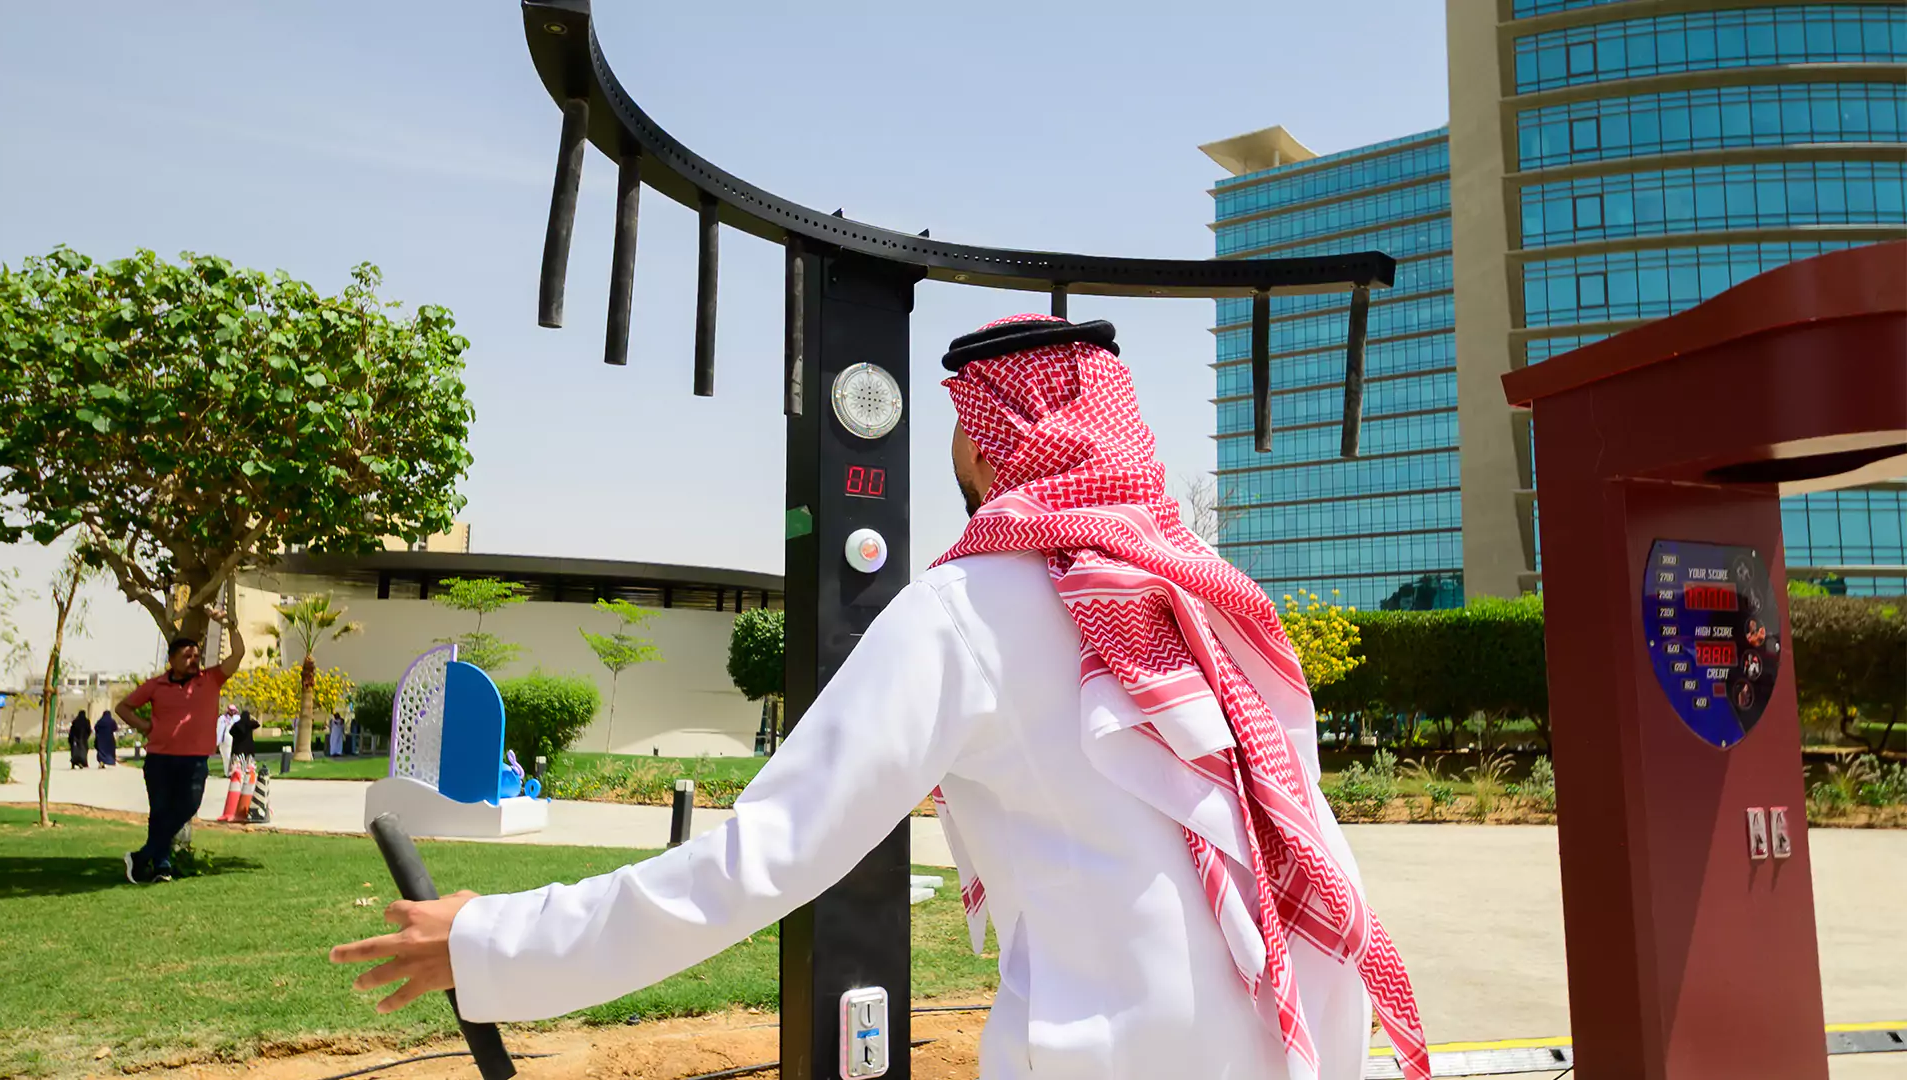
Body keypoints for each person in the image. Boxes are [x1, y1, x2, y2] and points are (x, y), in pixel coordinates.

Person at [331, 316, 1429, 1080]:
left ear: (1006, 453)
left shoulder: (966, 609)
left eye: (968, 451)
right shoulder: (1221, 603)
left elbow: (763, 858)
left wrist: (496, 943)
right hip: (1305, 1041)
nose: (961, 479)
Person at [115, 605, 244, 884]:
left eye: (197, 656)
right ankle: (161, 865)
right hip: (160, 759)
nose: (194, 660)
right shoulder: (155, 685)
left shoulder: (211, 679)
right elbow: (123, 707)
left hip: (195, 761)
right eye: (187, 656)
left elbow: (238, 654)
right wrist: (146, 727)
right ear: (171, 659)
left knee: (187, 807)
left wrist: (230, 626)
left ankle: (142, 856)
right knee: (160, 812)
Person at [215, 704, 240, 778]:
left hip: (226, 738)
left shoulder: (223, 719)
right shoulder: (237, 718)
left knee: (226, 756)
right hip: (234, 738)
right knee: (233, 756)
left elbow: (220, 731)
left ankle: (228, 772)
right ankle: (234, 771)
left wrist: (217, 742)